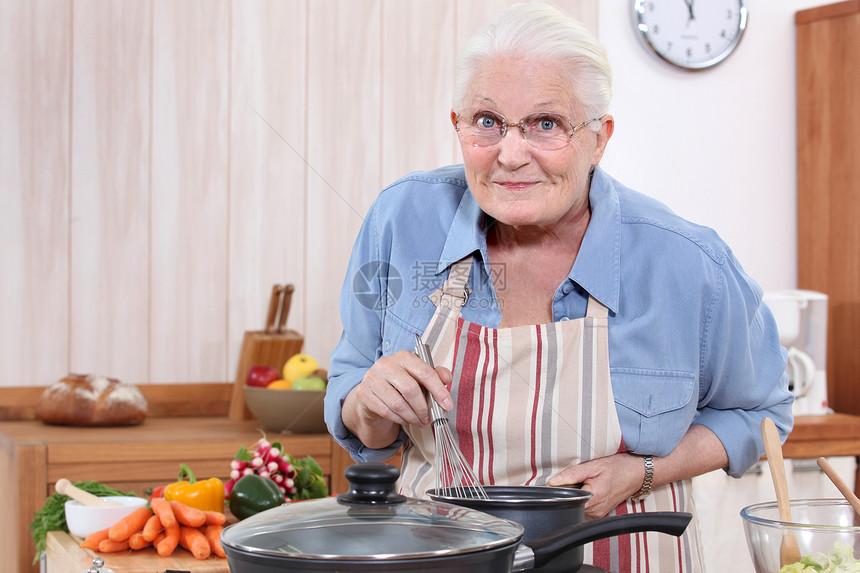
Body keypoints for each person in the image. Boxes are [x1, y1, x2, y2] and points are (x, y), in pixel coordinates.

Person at [325, 3, 793, 571]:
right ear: (458, 125)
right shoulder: (402, 220)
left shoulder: (686, 263)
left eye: (546, 124)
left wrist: (643, 471)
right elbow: (361, 416)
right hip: (442, 559)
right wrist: (370, 403)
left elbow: (761, 413)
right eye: (488, 121)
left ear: (599, 138)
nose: (511, 153)